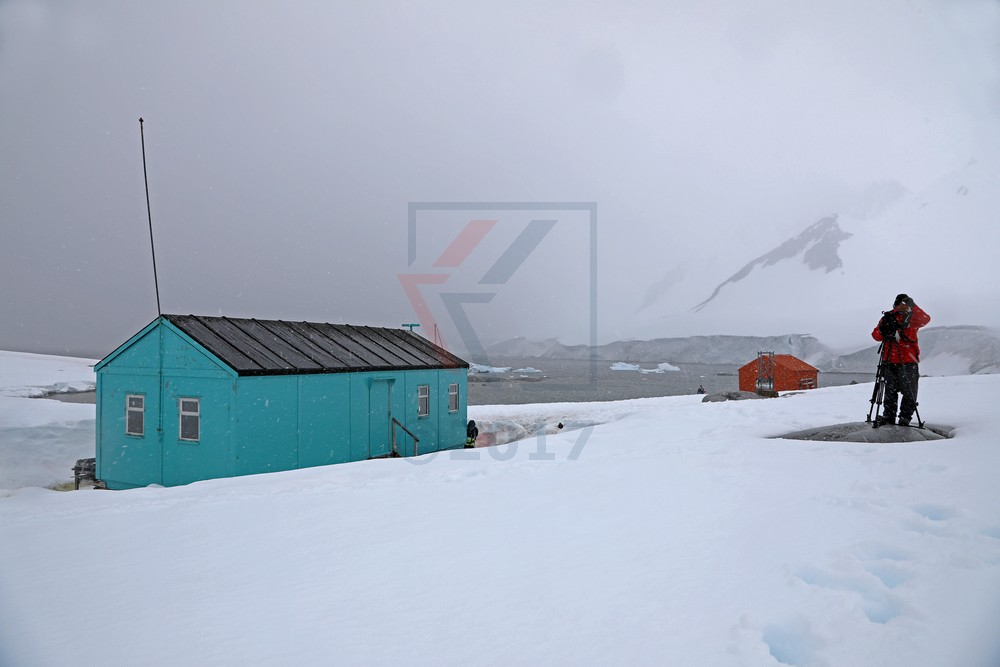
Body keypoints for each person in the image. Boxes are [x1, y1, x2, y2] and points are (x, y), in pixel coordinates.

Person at [871, 293, 931, 427]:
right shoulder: (908, 318)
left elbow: (876, 335)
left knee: (891, 392)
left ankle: (889, 417)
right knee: (908, 391)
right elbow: (925, 319)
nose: (902, 307)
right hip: (906, 361)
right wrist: (913, 306)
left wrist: (882, 329)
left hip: (892, 360)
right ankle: (904, 418)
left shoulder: (889, 318)